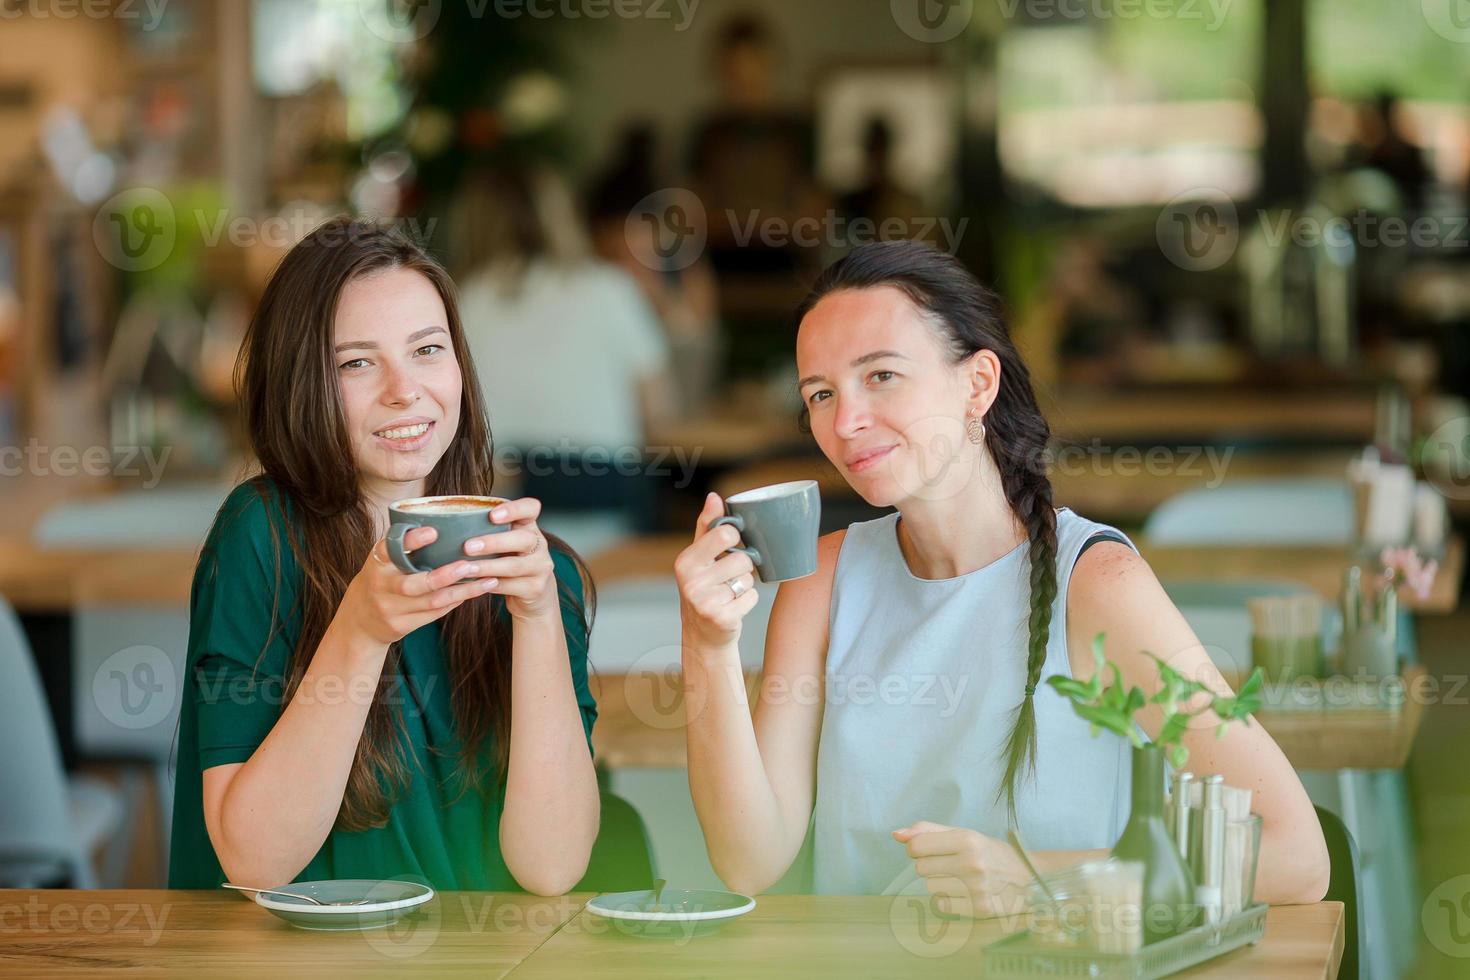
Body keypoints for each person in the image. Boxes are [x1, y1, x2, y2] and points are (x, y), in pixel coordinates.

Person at [674, 240, 1329, 913]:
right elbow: (748, 862)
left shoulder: (1097, 583)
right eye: (820, 393)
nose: (846, 422)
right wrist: (707, 643)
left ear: (977, 384)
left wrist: (1035, 879)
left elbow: (1296, 857)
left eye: (881, 377)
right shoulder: (820, 585)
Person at [169, 218, 600, 893]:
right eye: (357, 362)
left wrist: (540, 617)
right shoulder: (262, 539)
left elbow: (552, 870)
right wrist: (361, 631)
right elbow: (253, 862)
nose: (405, 389)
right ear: (301, 382)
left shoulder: (541, 575)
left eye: (428, 350)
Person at [454, 165, 675, 530]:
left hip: (498, 509)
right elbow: (658, 412)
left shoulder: (458, 302)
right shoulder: (609, 289)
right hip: (606, 504)